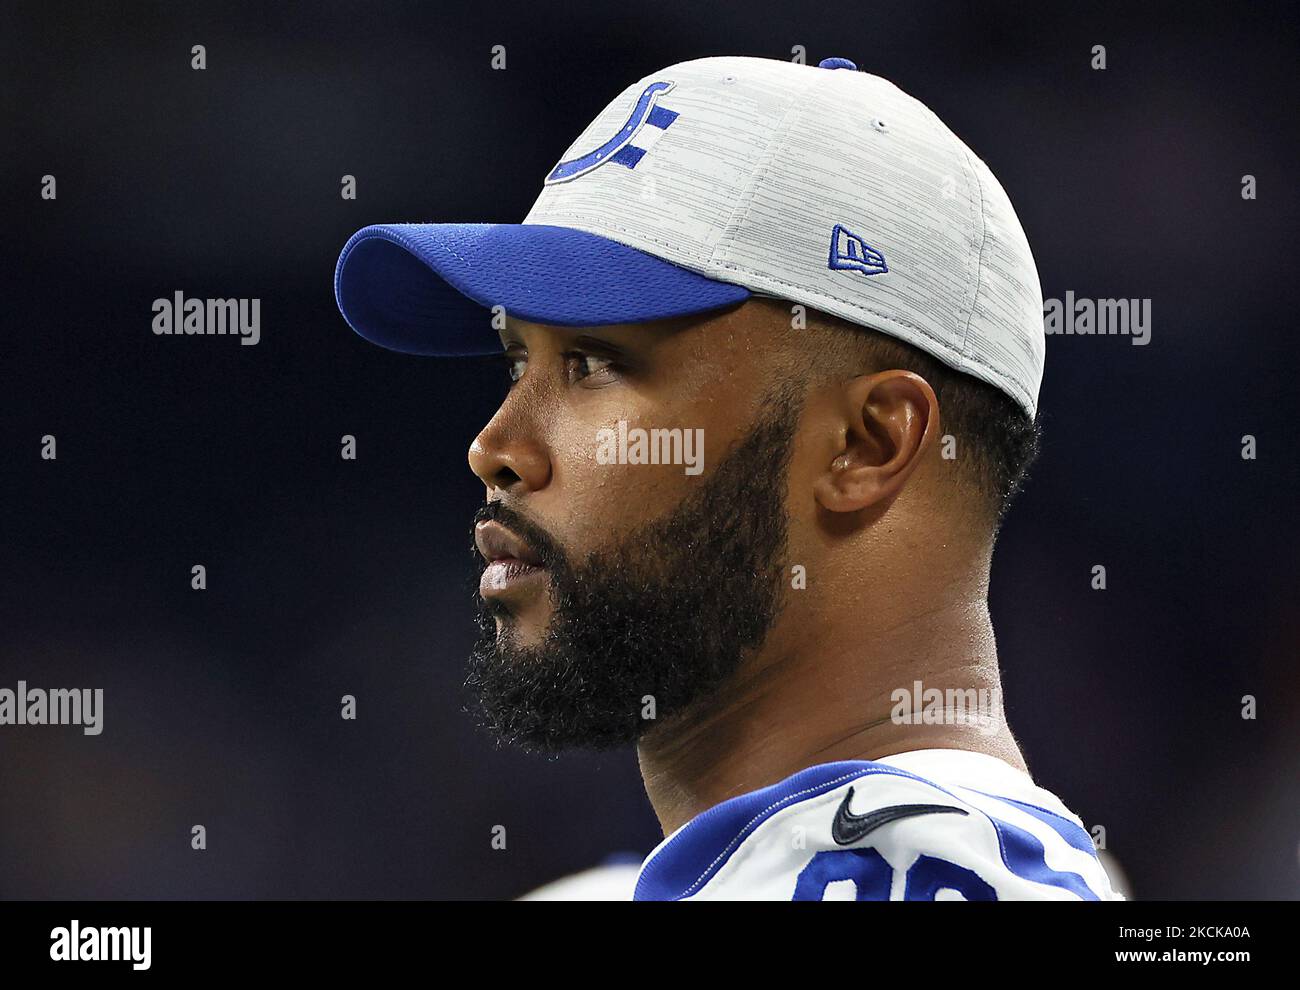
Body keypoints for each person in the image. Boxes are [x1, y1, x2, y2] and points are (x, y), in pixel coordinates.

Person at [334, 54, 1124, 900]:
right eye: (517, 363)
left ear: (866, 445)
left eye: (594, 364)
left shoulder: (915, 878)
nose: (495, 447)